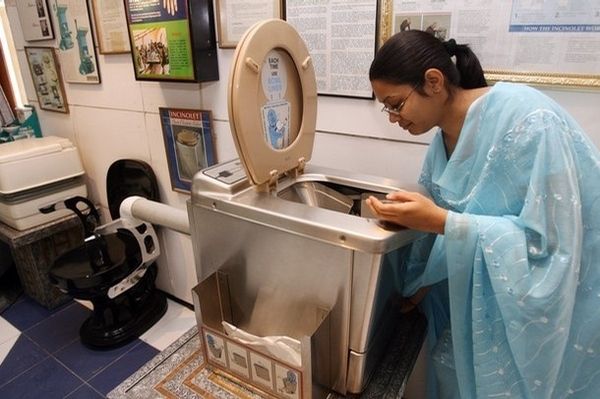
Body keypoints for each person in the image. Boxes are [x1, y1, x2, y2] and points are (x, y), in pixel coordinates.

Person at [367, 29, 600, 398]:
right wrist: (419, 283)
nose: (393, 118)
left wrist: (441, 222)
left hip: (561, 299)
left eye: (396, 104)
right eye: (386, 108)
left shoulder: (530, 120)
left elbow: (552, 248)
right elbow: (453, 229)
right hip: (482, 303)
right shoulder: (441, 141)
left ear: (433, 82)